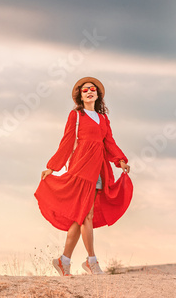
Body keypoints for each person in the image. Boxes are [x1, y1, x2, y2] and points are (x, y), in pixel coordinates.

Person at [34, 77, 133, 276]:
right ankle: (92, 262)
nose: (90, 92)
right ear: (80, 96)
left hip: (98, 170)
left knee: (81, 217)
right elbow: (67, 141)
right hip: (81, 168)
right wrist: (52, 167)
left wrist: (120, 160)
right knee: (86, 215)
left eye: (93, 89)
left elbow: (109, 143)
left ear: (98, 95)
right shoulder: (76, 115)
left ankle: (64, 261)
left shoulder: (103, 119)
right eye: (85, 90)